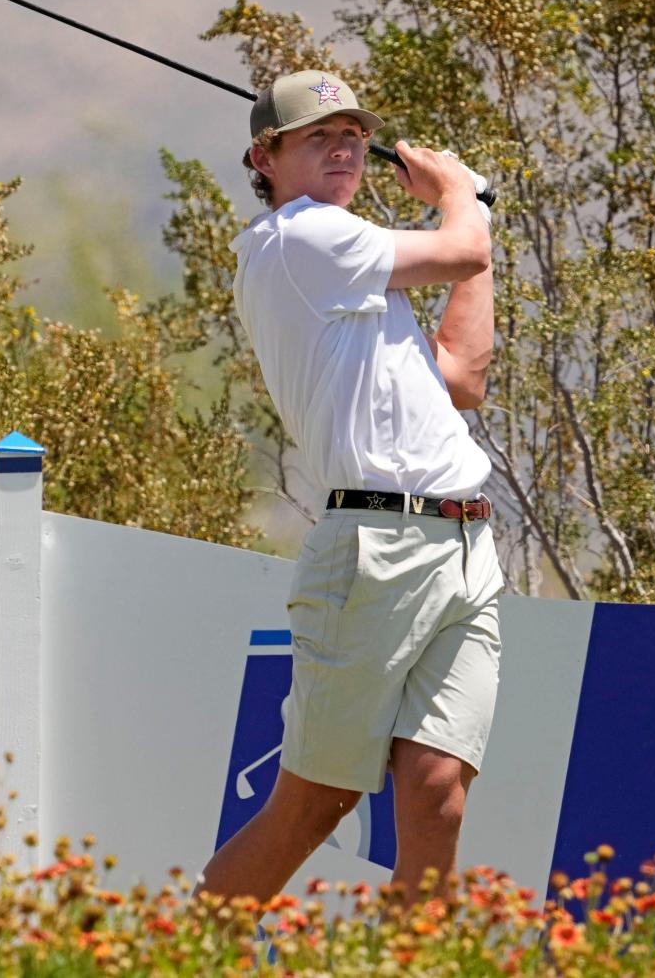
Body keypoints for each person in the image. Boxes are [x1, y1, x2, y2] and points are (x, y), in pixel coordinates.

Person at [199, 69, 503, 902]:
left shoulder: (351, 259)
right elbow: (461, 246)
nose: (344, 148)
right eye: (317, 137)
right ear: (266, 157)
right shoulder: (301, 238)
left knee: (439, 793)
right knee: (314, 805)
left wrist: (468, 211)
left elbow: (463, 375)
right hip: (375, 547)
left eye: (355, 136)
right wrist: (457, 196)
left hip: (466, 546)